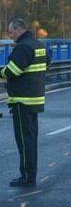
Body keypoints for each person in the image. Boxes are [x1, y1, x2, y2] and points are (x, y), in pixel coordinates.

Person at [0, 18, 50, 187]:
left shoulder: (22, 47)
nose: (10, 35)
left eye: (11, 31)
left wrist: (1, 72)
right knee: (31, 139)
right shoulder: (38, 45)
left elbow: (12, 71)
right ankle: (30, 174)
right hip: (35, 99)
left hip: (22, 101)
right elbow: (47, 63)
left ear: (18, 30)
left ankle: (27, 177)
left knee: (24, 141)